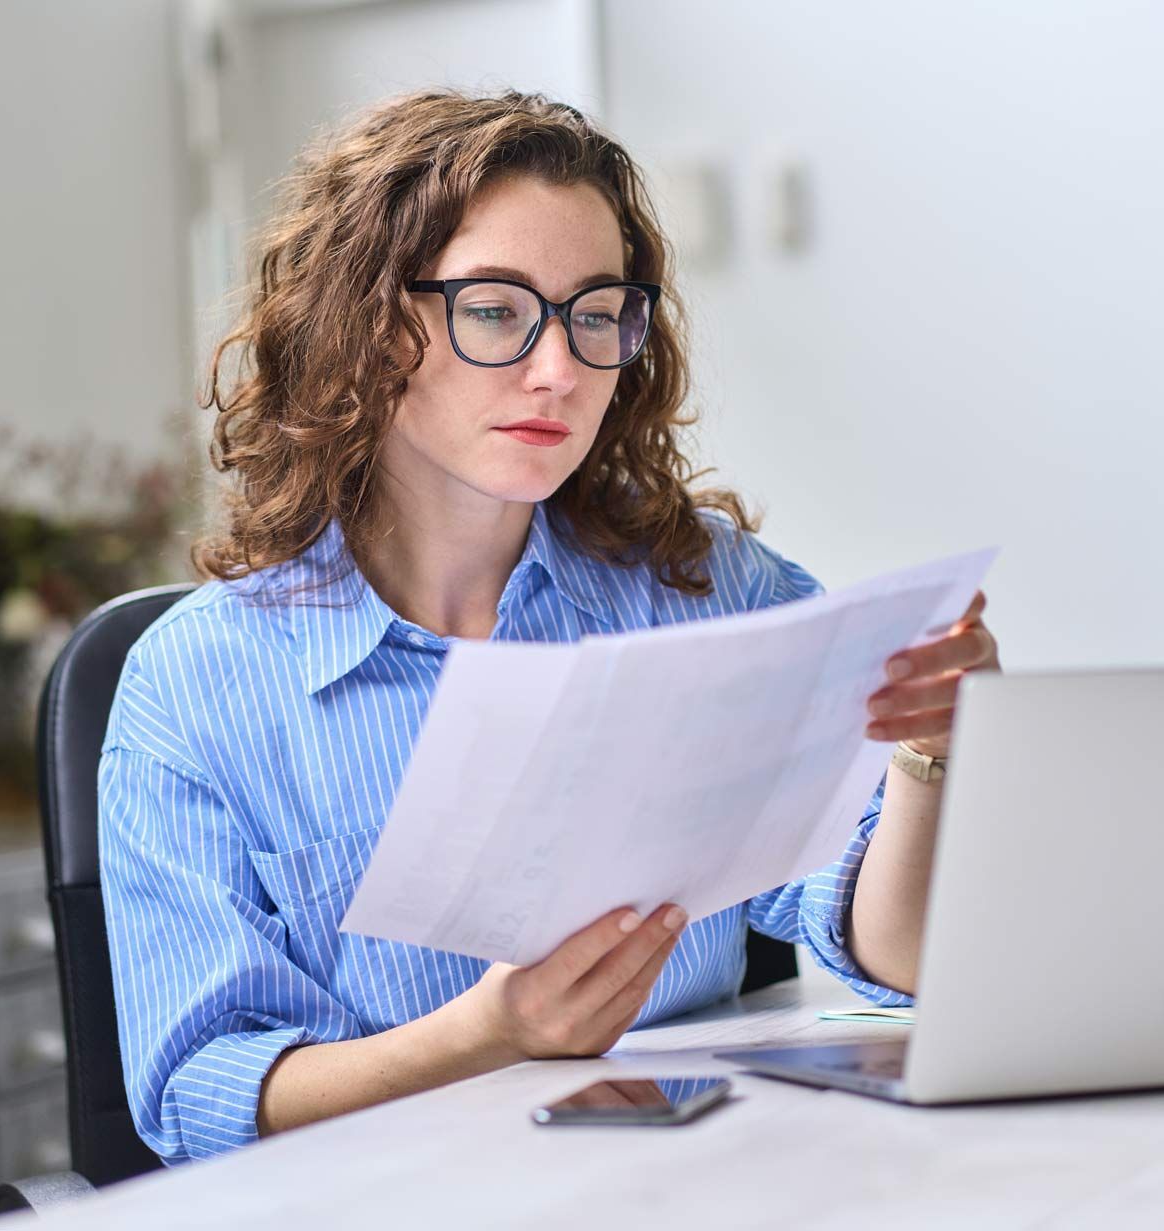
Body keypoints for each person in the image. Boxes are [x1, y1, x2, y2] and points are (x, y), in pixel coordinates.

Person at [99, 88, 1001, 1165]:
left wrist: (928, 754)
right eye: (495, 309)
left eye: (594, 312)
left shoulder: (707, 589)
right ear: (374, 327)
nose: (559, 369)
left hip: (705, 1182)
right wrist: (484, 1039)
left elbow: (888, 955)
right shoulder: (194, 682)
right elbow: (197, 1092)